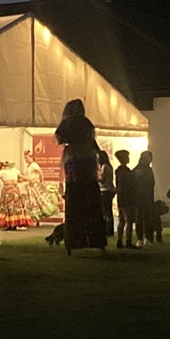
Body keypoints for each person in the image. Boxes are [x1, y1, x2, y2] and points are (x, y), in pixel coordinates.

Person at [54, 99, 106, 254]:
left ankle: (74, 241)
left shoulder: (66, 124)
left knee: (74, 204)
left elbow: (59, 139)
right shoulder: (86, 122)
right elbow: (92, 140)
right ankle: (96, 241)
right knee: (92, 202)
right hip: (88, 160)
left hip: (72, 161)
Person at [131, 151, 158, 246]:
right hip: (143, 197)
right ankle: (145, 238)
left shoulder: (138, 169)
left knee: (142, 218)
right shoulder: (143, 170)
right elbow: (152, 183)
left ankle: (142, 238)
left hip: (142, 197)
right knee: (144, 218)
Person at [114, 149, 136, 248]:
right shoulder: (125, 172)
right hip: (127, 198)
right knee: (129, 220)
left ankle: (119, 240)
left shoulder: (119, 171)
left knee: (122, 220)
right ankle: (128, 240)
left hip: (121, 198)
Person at [98, 150, 116, 240]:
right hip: (109, 190)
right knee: (108, 211)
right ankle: (110, 229)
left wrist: (96, 177)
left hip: (105, 190)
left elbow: (103, 180)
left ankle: (107, 230)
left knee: (106, 211)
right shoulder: (109, 166)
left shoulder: (104, 167)